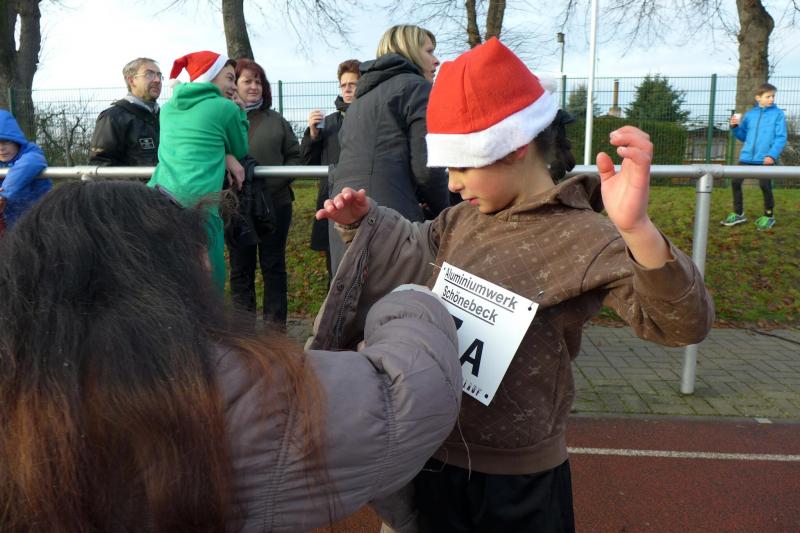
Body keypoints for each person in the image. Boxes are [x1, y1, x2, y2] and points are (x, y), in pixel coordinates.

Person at [312, 38, 715, 532]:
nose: (452, 183)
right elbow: (414, 248)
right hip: (434, 451)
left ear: (514, 146)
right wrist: (365, 221)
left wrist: (638, 231)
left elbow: (682, 324)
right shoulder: (461, 219)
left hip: (518, 481)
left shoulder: (586, 236)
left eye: (462, 165)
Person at [0, 179, 463, 532]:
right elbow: (408, 392)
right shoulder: (227, 386)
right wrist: (410, 303)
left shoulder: (21, 385)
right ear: (166, 273)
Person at [328, 24, 449, 273]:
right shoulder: (416, 87)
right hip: (390, 214)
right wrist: (446, 213)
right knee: (399, 294)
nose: (436, 60)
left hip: (345, 211)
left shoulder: (360, 100)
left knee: (353, 291)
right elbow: (428, 168)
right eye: (429, 51)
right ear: (410, 50)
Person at [148, 50, 249, 291]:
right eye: (229, 78)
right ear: (210, 76)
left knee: (168, 278)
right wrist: (241, 113)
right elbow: (240, 147)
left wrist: (221, 154)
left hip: (159, 198)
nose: (234, 86)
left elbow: (195, 141)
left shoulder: (168, 108)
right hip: (200, 205)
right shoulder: (225, 108)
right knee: (209, 282)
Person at [227, 58, 301, 329]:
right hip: (236, 206)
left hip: (275, 205)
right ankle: (243, 330)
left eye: (258, 81)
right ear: (234, 84)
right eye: (247, 81)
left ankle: (274, 330)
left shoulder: (276, 120)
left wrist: (271, 186)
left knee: (273, 266)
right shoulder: (224, 118)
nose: (254, 86)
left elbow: (294, 157)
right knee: (240, 268)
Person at [300, 58, 360, 283]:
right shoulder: (328, 123)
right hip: (331, 200)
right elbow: (307, 164)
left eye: (353, 84)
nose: (347, 89)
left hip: (362, 197)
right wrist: (312, 135)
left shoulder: (372, 117)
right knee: (334, 268)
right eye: (343, 85)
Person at [721, 82, 787, 230]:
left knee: (765, 186)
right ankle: (739, 214)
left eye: (773, 96)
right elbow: (743, 136)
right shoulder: (750, 115)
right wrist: (735, 128)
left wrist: (772, 155)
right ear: (758, 97)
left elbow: (781, 137)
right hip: (746, 157)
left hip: (765, 158)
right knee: (735, 182)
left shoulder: (778, 114)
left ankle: (769, 216)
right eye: (768, 96)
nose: (771, 99)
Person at [90, 57, 162, 166]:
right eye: (149, 74)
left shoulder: (165, 117)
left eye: (159, 75)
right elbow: (101, 164)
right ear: (131, 80)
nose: (157, 80)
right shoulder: (112, 117)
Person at [0, 109, 50, 231]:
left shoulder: (31, 152)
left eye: (5, 142)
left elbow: (31, 162)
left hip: (38, 222)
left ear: (16, 141)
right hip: (10, 227)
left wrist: (3, 194)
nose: (1, 148)